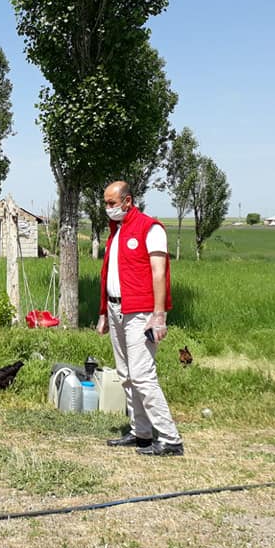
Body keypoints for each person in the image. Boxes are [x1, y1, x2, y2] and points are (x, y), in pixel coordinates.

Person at [96, 181, 184, 456]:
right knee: (125, 375)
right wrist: (103, 313)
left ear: (127, 201)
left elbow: (159, 274)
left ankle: (170, 439)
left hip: (141, 313)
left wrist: (158, 316)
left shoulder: (150, 229)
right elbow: (109, 275)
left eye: (111, 203)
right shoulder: (116, 232)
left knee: (143, 375)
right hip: (115, 310)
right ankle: (141, 433)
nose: (107, 209)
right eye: (106, 204)